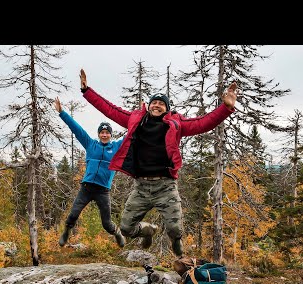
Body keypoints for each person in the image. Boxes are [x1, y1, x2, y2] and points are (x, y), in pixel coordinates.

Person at [78, 69, 238, 257]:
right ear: (148, 106)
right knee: (126, 228)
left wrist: (225, 108)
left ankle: (176, 241)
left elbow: (203, 123)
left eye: (161, 104)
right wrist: (87, 91)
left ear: (167, 108)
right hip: (141, 187)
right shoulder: (135, 120)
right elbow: (110, 110)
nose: (157, 105)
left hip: (165, 186)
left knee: (174, 228)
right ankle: (148, 231)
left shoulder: (176, 124)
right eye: (154, 102)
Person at [54, 97, 125, 248]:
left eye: (107, 133)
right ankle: (66, 232)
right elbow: (77, 129)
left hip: (103, 191)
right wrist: (62, 112)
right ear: (99, 134)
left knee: (107, 224)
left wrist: (144, 118)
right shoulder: (90, 144)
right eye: (102, 132)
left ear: (110, 135)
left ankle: (117, 233)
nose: (104, 135)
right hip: (86, 188)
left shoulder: (116, 147)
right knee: (73, 214)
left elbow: (132, 135)